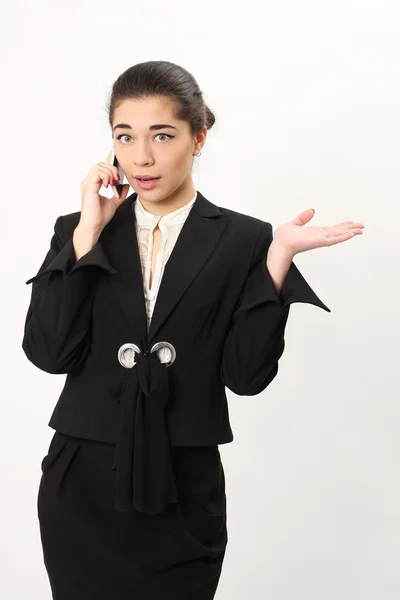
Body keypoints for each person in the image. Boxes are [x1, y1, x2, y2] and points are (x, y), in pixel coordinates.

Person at [22, 60, 364, 600]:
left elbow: (246, 377)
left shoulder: (245, 240)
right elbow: (48, 351)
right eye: (124, 136)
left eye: (162, 135)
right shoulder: (82, 228)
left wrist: (277, 262)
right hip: (82, 482)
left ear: (198, 137)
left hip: (184, 484)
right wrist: (89, 229)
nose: (141, 157)